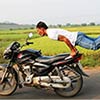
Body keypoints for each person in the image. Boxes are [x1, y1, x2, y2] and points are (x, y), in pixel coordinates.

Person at [36, 21, 100, 58]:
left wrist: (72, 50)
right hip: (77, 35)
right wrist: (74, 48)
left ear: (42, 28)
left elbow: (65, 39)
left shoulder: (50, 34)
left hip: (77, 38)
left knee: (94, 46)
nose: (38, 33)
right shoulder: (51, 31)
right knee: (95, 40)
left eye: (38, 30)